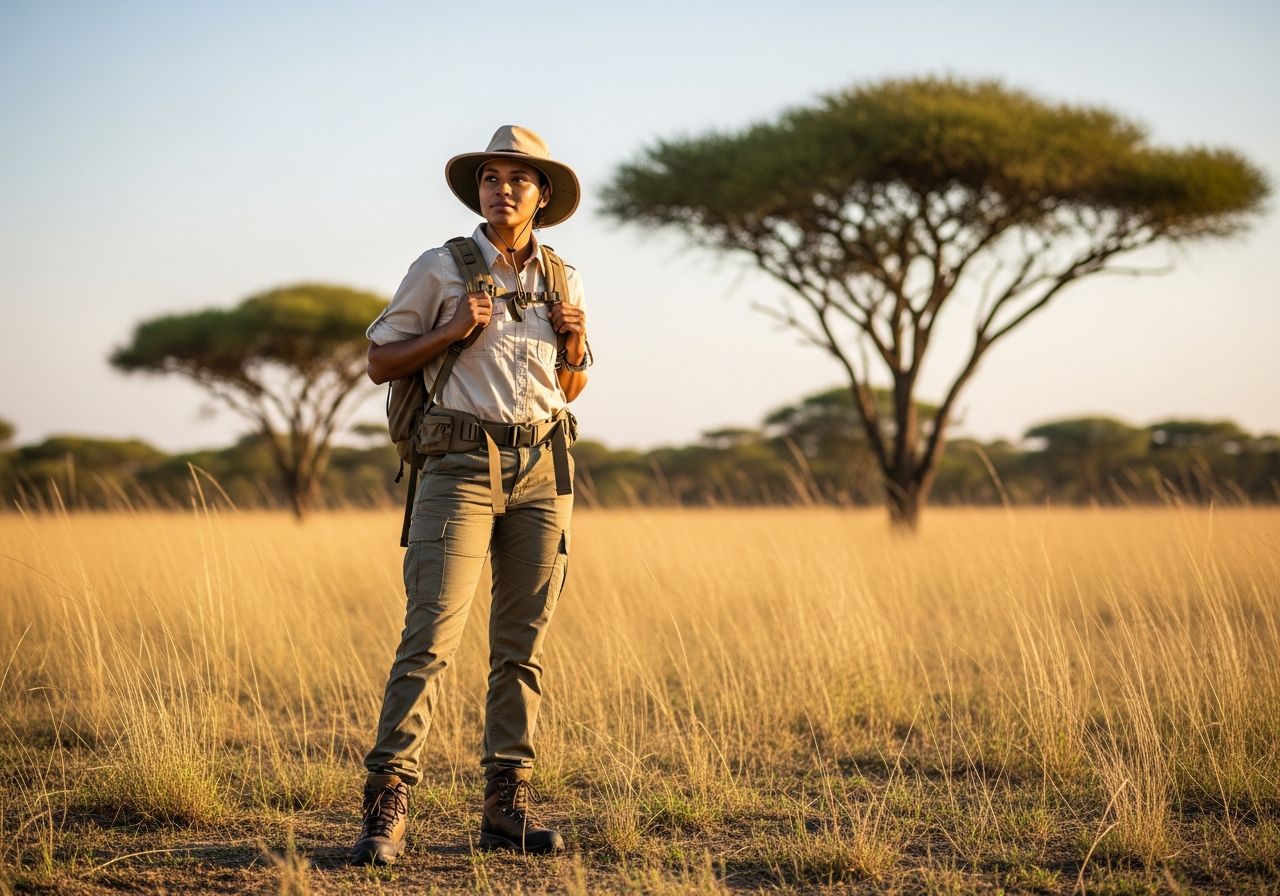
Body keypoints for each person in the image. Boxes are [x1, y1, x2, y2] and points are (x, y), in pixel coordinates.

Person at [352, 126, 591, 865]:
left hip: (545, 469)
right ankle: (387, 805)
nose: (502, 190)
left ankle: (505, 806)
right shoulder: (440, 267)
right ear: (478, 191)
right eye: (491, 177)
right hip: (457, 464)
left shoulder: (564, 276)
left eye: (519, 179)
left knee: (522, 648)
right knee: (429, 639)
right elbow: (380, 361)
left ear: (542, 195)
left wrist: (575, 348)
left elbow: (567, 386)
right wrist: (454, 328)